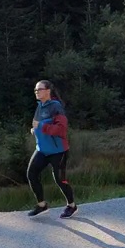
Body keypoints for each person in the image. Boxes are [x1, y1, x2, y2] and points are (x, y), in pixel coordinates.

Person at [27, 79, 77, 218]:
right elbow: (39, 125)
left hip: (58, 151)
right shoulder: (40, 106)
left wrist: (41, 127)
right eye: (35, 90)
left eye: (40, 89)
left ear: (48, 91)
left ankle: (71, 206)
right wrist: (34, 130)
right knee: (31, 174)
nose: (37, 92)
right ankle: (42, 205)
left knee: (60, 180)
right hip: (42, 149)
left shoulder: (56, 107)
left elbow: (61, 130)